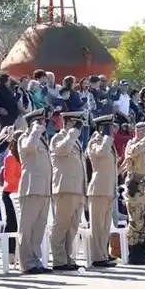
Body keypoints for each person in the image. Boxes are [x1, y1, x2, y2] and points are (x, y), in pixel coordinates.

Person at [47, 111, 87, 270]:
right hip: (65, 187)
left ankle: (68, 258)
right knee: (61, 225)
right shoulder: (58, 138)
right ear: (68, 123)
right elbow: (62, 150)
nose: (78, 128)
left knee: (72, 227)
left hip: (77, 189)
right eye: (76, 124)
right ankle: (59, 260)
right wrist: (72, 133)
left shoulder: (74, 140)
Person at [15, 112, 52, 274]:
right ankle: (27, 264)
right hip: (31, 188)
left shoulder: (42, 140)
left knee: (38, 228)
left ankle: (36, 261)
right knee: (27, 228)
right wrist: (35, 130)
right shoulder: (25, 138)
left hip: (43, 189)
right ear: (32, 123)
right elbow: (29, 147)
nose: (44, 125)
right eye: (41, 122)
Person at [121, 121, 145, 266]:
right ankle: (133, 250)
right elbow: (133, 152)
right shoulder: (133, 144)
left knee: (144, 221)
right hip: (135, 186)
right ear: (140, 132)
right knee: (135, 220)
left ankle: (141, 248)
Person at [87, 114, 118, 267]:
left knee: (105, 226)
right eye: (109, 127)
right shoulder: (95, 141)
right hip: (98, 189)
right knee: (97, 226)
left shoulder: (108, 143)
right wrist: (106, 137)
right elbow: (101, 153)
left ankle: (104, 254)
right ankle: (97, 257)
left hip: (108, 189)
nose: (112, 130)